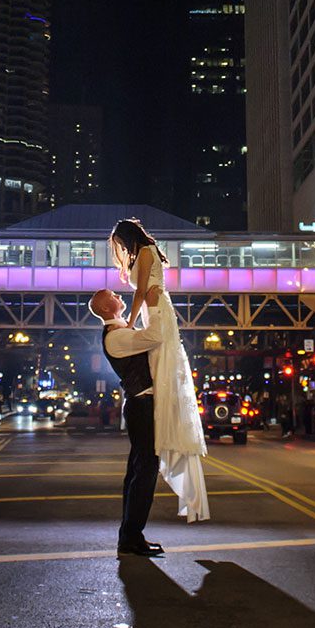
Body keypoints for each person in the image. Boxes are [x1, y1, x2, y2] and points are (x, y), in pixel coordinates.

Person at [109, 217, 209, 523]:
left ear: (129, 238)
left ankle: (162, 421)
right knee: (159, 368)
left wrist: (130, 321)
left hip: (156, 313)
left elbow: (141, 292)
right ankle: (158, 419)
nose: (122, 250)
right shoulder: (145, 252)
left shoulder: (147, 250)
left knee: (162, 364)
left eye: (121, 244)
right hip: (154, 312)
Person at [93, 288, 166, 556]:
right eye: (112, 295)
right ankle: (131, 537)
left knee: (139, 471)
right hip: (140, 405)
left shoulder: (122, 331)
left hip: (142, 405)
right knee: (145, 470)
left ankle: (130, 535)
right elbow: (155, 337)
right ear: (104, 309)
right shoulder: (115, 337)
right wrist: (155, 307)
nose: (119, 296)